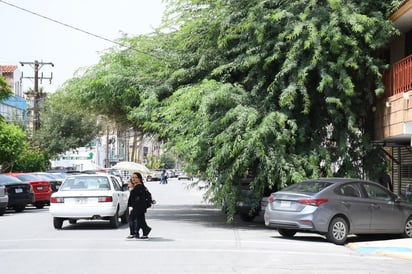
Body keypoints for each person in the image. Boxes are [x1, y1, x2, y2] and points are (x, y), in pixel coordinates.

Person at [127, 172, 152, 239]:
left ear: (139, 179)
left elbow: (134, 197)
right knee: (141, 220)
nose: (133, 179)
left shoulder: (139, 187)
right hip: (139, 207)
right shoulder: (138, 186)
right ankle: (143, 231)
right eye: (132, 177)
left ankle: (133, 233)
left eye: (135, 177)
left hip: (139, 207)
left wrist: (132, 189)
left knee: (131, 218)